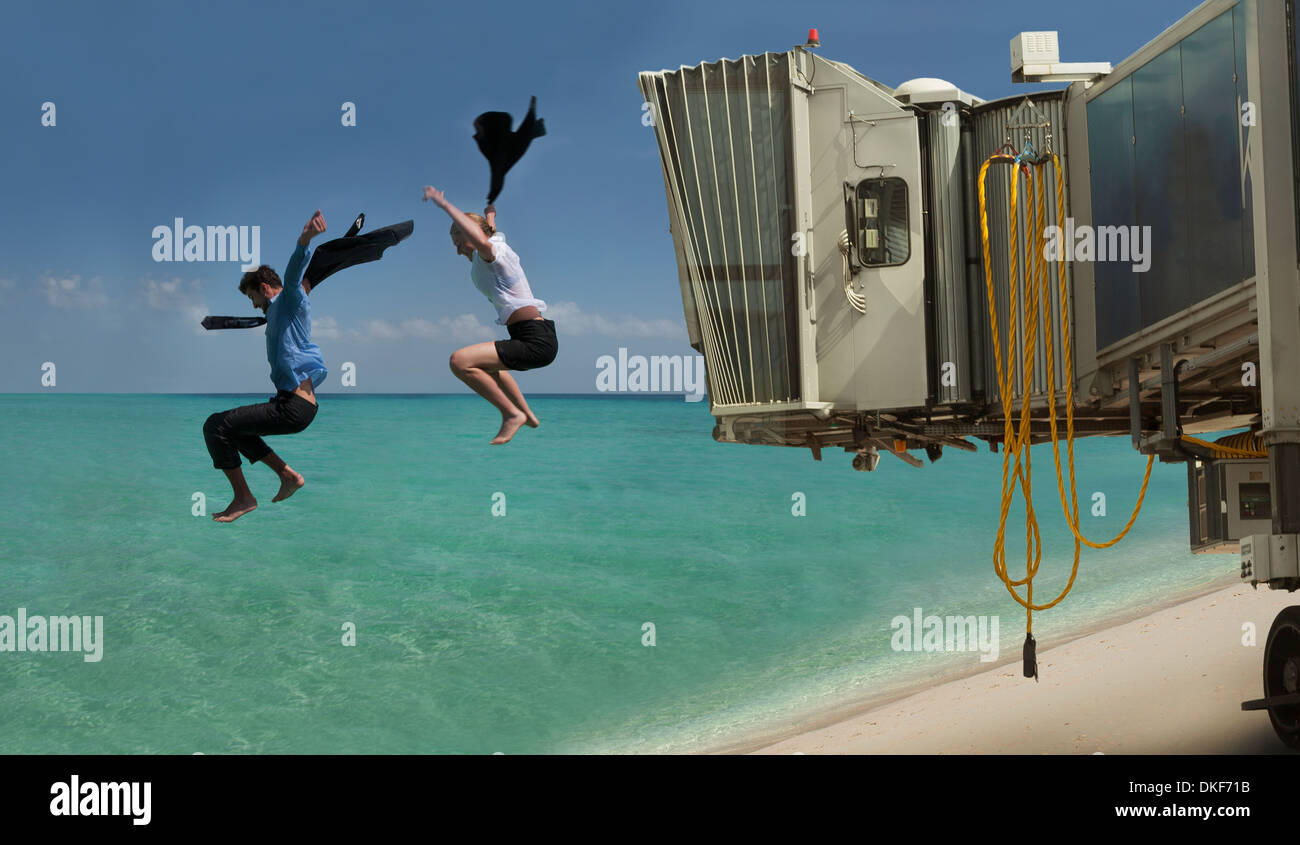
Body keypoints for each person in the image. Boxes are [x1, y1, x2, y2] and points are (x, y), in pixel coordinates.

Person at [202, 210, 329, 522]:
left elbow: (293, 274)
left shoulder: (289, 299)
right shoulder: (276, 313)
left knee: (215, 425)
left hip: (295, 406)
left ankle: (244, 498)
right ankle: (287, 476)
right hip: (292, 404)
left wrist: (305, 239)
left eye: (252, 297)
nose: (253, 304)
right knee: (236, 432)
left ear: (262, 286)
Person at [423, 187, 557, 444]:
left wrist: (444, 204)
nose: (458, 250)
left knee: (459, 362)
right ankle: (527, 415)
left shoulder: (491, 254)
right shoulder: (495, 246)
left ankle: (510, 414)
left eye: (459, 242)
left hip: (535, 341)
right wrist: (490, 214)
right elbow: (489, 230)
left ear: (472, 235)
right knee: (489, 367)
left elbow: (483, 238)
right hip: (536, 336)